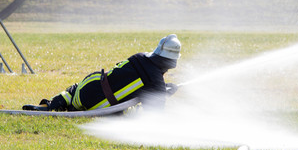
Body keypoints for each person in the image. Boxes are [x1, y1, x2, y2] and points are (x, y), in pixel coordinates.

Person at [23, 34, 181, 112]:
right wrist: (164, 93)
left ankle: (47, 106)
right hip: (101, 106)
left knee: (73, 92)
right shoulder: (155, 81)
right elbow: (154, 113)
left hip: (89, 85)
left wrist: (162, 88)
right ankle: (54, 108)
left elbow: (134, 79)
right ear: (170, 62)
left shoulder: (140, 57)